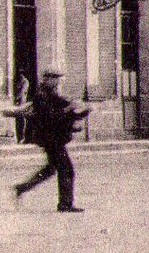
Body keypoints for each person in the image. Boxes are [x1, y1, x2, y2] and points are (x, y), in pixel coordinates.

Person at [7, 68, 90, 213]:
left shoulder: (51, 94)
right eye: (56, 78)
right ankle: (65, 204)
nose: (59, 82)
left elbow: (63, 106)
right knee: (66, 169)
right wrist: (70, 109)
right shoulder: (41, 96)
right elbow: (51, 116)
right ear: (48, 79)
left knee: (51, 169)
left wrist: (82, 110)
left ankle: (22, 188)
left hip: (54, 138)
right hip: (51, 139)